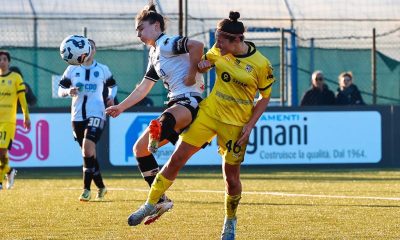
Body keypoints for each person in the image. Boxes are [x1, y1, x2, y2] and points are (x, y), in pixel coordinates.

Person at [126, 11, 275, 240]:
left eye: (221, 40)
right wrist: (199, 67)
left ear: (236, 41)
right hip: (208, 114)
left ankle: (230, 221)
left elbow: (264, 98)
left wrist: (251, 124)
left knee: (231, 178)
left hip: (236, 125)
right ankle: (150, 203)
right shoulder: (218, 51)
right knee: (176, 159)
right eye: (216, 39)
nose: (216, 44)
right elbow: (204, 62)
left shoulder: (261, 64)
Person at [105, 2, 204, 224]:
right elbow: (143, 88)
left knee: (164, 120)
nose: (138, 33)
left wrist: (191, 74)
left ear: (156, 26)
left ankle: (158, 133)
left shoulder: (168, 43)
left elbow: (197, 45)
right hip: (176, 104)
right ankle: (160, 199)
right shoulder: (154, 53)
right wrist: (120, 107)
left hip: (190, 102)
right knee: (139, 149)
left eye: (141, 28)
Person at [58, 39, 118, 201]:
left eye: (92, 47)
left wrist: (111, 98)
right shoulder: (71, 69)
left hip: (97, 114)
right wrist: (68, 91)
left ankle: (86, 190)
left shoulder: (102, 69)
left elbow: (113, 85)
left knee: (87, 149)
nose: (89, 50)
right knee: (89, 154)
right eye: (87, 47)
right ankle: (101, 187)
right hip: (77, 116)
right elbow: (60, 89)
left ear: (94, 50)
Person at [0, 50, 31, 190]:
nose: (2, 62)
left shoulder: (16, 77)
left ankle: (0, 182)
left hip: (8, 121)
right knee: (2, 154)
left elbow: (22, 100)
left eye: (4, 59)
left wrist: (26, 117)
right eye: (0, 59)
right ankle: (9, 171)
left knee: (1, 151)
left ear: (9, 62)